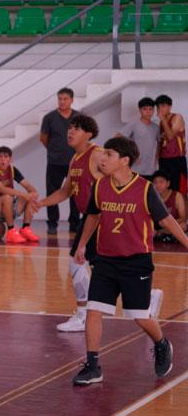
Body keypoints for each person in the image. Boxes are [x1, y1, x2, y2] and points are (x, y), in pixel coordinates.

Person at [71, 136, 188, 386]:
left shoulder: (145, 189)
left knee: (139, 315)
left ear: (124, 161)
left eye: (109, 154)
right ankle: (93, 366)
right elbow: (93, 216)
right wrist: (81, 245)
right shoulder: (100, 186)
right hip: (105, 260)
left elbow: (166, 220)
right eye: (104, 153)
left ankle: (161, 343)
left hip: (136, 262)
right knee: (94, 310)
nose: (102, 158)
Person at [30, 114, 103, 332]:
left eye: (76, 129)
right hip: (88, 218)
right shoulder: (75, 159)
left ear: (88, 134)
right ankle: (146, 298)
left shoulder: (97, 154)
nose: (70, 132)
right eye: (70, 128)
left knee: (82, 264)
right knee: (97, 268)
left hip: (101, 219)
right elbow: (65, 191)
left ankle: (84, 315)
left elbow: (119, 177)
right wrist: (41, 203)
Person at [40, 87, 81, 235]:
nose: (62, 102)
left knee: (75, 193)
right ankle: (52, 223)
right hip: (55, 162)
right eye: (60, 99)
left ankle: (74, 223)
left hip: (75, 162)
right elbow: (43, 138)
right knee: (52, 192)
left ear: (72, 100)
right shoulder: (49, 118)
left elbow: (83, 137)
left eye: (65, 99)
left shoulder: (79, 117)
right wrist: (54, 150)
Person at [0, 146, 40, 244]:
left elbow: (27, 185)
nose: (3, 159)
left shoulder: (12, 169)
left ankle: (25, 229)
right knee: (7, 196)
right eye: (0, 156)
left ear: (10, 159)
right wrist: (24, 195)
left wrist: (34, 193)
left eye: (6, 156)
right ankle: (11, 231)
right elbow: (2, 189)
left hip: (5, 208)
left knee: (30, 195)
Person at [116, 97, 160, 179]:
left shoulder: (156, 127)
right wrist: (131, 154)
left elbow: (159, 144)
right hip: (135, 167)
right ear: (140, 110)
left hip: (150, 168)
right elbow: (118, 138)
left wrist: (156, 158)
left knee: (148, 186)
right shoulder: (134, 124)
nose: (148, 112)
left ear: (154, 110)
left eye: (150, 109)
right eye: (145, 109)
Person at [156, 94, 186, 195]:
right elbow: (160, 142)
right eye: (158, 107)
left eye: (163, 106)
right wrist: (157, 157)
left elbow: (170, 136)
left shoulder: (177, 117)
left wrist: (163, 119)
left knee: (179, 190)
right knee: (164, 188)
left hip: (176, 159)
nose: (160, 109)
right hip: (163, 159)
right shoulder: (162, 122)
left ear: (170, 107)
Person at [152, 170, 187, 243]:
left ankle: (162, 234)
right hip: (157, 227)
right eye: (155, 182)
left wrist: (168, 224)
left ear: (168, 184)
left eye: (161, 182)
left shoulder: (177, 196)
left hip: (172, 225)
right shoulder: (151, 196)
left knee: (184, 226)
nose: (158, 185)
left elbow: (183, 218)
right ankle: (166, 236)